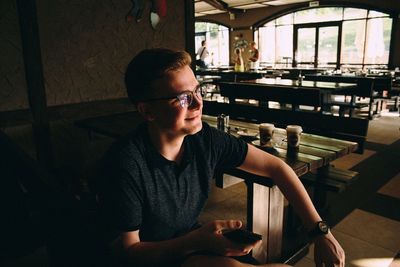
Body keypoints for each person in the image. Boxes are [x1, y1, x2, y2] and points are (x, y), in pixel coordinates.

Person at [98, 48, 345, 267]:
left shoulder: (205, 140)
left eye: (197, 90)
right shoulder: (125, 164)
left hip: (190, 247)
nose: (197, 104)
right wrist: (194, 242)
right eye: (183, 97)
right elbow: (130, 252)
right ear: (147, 111)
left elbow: (277, 167)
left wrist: (320, 232)